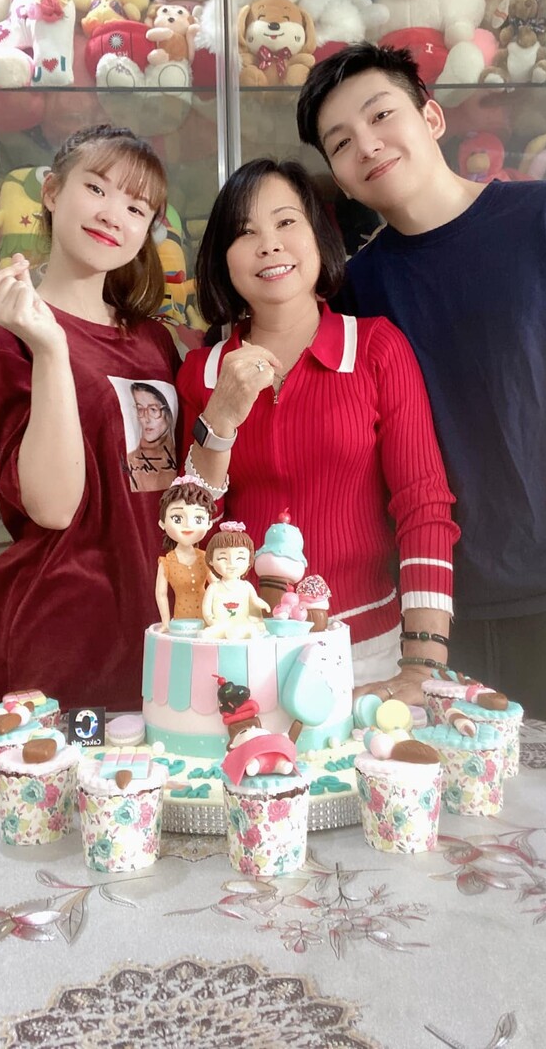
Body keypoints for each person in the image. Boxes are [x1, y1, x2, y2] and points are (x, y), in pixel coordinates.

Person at [296, 42, 546, 738]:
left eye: (382, 115)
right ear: (340, 179)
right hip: (429, 620)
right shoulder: (355, 292)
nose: (367, 145)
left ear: (432, 117)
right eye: (341, 143)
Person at [177, 157, 460, 703]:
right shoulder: (202, 373)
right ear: (222, 259)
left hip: (367, 650)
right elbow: (187, 530)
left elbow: (423, 504)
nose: (269, 245)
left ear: (318, 237)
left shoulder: (376, 349)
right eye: (245, 232)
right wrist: (221, 417)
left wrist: (423, 662)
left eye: (286, 222)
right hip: (239, 649)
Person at [0, 124, 180, 722]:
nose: (113, 215)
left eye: (136, 208)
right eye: (97, 189)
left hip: (160, 647)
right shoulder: (7, 333)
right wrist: (51, 348)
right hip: (56, 652)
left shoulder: (154, 341)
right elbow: (54, 508)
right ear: (53, 192)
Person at [155, 476, 216, 629]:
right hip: (181, 622)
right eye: (177, 518)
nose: (188, 525)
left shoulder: (205, 558)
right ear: (162, 523)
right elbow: (161, 594)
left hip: (208, 619)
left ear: (209, 523)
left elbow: (217, 586)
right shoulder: (166, 563)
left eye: (198, 519)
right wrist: (165, 623)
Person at [127, 381, 177, 492]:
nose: (146, 419)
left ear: (168, 413)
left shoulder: (183, 452)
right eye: (140, 409)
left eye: (153, 410)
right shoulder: (130, 460)